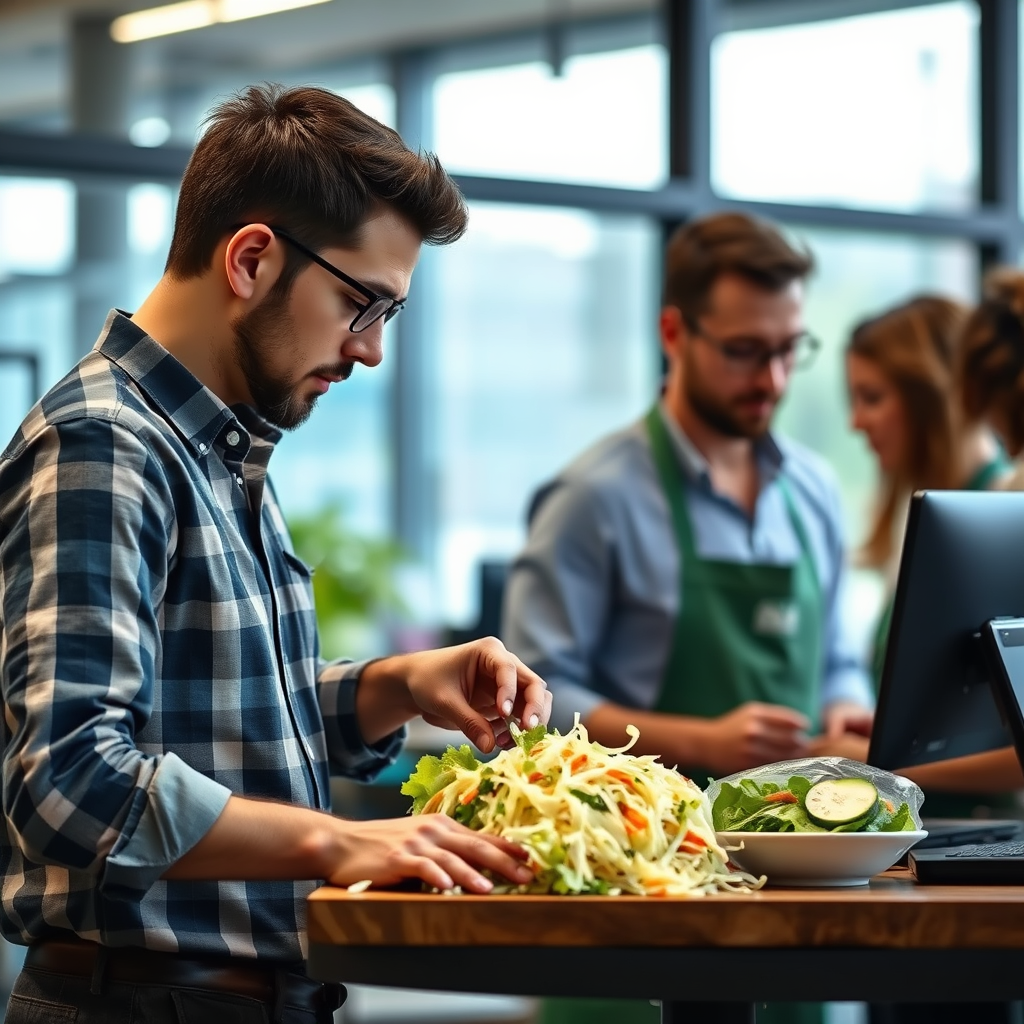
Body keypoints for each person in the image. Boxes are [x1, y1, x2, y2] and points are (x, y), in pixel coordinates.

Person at [0, 84, 551, 1024]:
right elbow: (70, 781)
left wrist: (400, 685)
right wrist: (337, 842)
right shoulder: (105, 445)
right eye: (362, 304)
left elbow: (219, 725)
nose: (369, 352)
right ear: (251, 259)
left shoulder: (220, 448)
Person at [502, 211, 874, 1024]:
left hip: (802, 892)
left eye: (790, 350)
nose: (772, 378)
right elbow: (531, 699)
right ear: (674, 332)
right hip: (639, 895)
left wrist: (846, 704)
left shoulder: (814, 491)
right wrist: (700, 741)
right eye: (745, 351)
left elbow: (839, 657)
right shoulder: (594, 498)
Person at [846, 296, 1019, 1024]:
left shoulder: (1002, 507)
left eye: (872, 397)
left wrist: (875, 771)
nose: (856, 422)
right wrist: (881, 743)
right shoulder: (935, 523)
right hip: (917, 859)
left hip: (972, 855)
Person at [846, 295, 1010, 693]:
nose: (856, 422)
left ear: (930, 398)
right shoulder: (917, 520)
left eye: (872, 398)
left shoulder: (1006, 520)